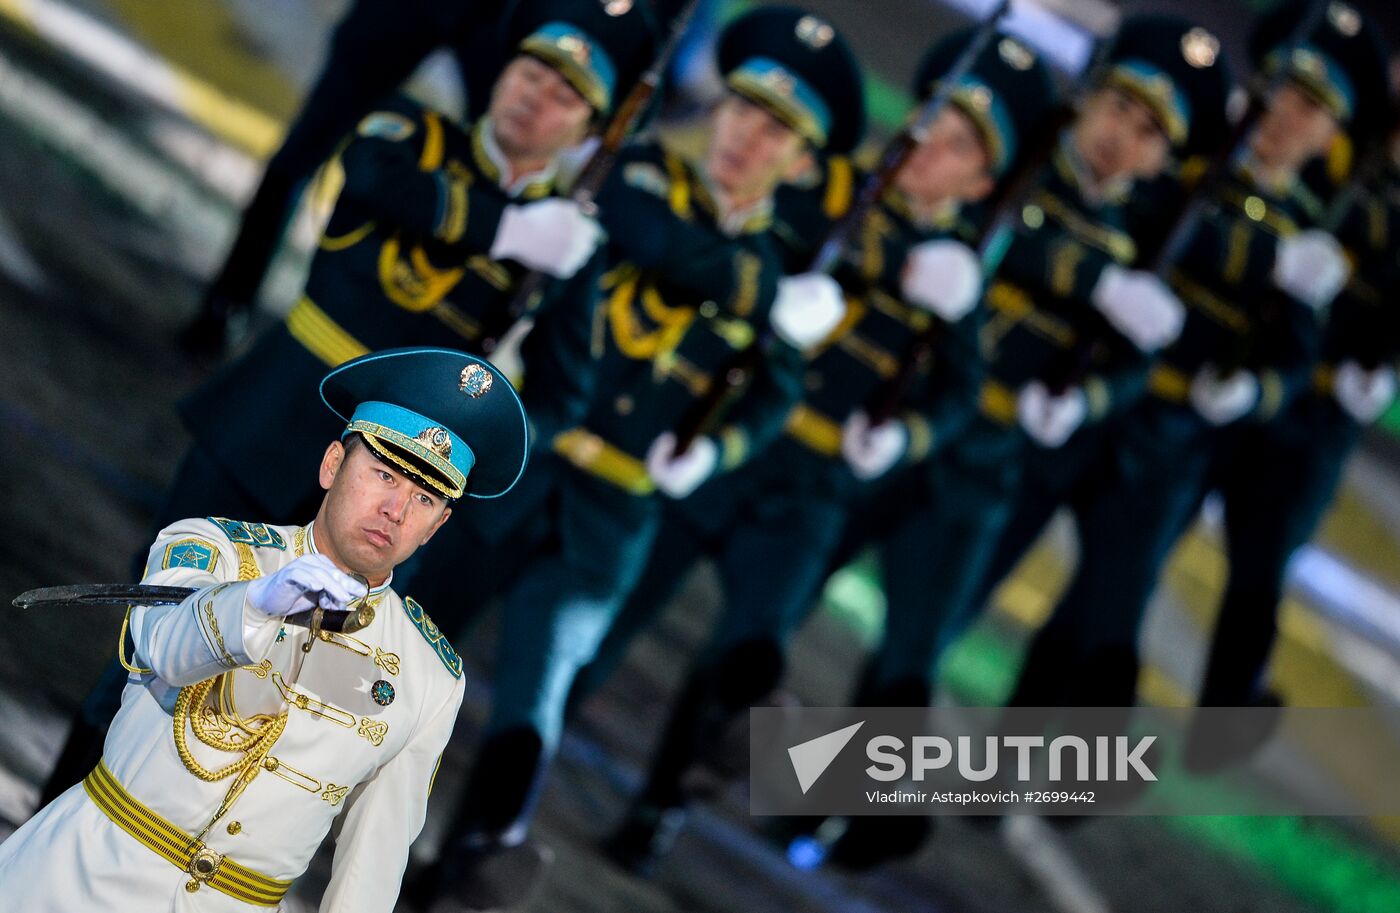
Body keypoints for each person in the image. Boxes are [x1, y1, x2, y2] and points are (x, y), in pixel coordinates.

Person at [38, 0, 657, 809]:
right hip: (270, 425)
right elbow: (370, 181)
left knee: (279, 701)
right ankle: (54, 831)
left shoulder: (570, 243)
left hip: (386, 494)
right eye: (529, 70)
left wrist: (475, 444)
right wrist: (507, 230)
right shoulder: (410, 134)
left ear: (586, 135)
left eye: (564, 96)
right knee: (158, 640)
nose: (535, 95)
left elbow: (561, 397)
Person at [416, 8, 865, 910]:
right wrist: (775, 294)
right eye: (741, 108)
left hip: (612, 516)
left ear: (807, 165)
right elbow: (658, 245)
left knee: (540, 700)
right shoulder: (640, 178)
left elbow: (776, 395)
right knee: (407, 645)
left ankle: (464, 864)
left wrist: (720, 448)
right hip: (515, 468)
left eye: (776, 128)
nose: (744, 133)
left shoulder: (785, 267)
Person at [584, 27, 1056, 874]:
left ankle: (661, 805)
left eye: (958, 150)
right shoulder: (822, 181)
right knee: (614, 612)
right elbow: (762, 241)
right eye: (931, 126)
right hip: (724, 447)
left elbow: (957, 394)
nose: (929, 152)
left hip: (814, 488)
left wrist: (904, 434)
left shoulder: (957, 270)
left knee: (747, 653)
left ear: (981, 183)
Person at [0, 347, 529, 913]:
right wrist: (252, 605)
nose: (395, 510)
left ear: (438, 525)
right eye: (383, 474)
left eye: (424, 498)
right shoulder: (213, 548)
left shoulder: (429, 677)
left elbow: (371, 867)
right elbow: (164, 647)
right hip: (81, 882)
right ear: (331, 465)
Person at [1007, 0, 1391, 717]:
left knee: (1101, 609)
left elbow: (1292, 367)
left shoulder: (1310, 226)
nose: (1285, 113)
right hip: (1087, 403)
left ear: (1330, 133)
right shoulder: (1183, 159)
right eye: (1281, 89)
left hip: (1174, 437)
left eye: (1311, 107)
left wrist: (1254, 390)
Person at [1182, 99, 1399, 771]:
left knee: (1261, 567)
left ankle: (1221, 714)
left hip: (1320, 409)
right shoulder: (1336, 140)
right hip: (1246, 369)